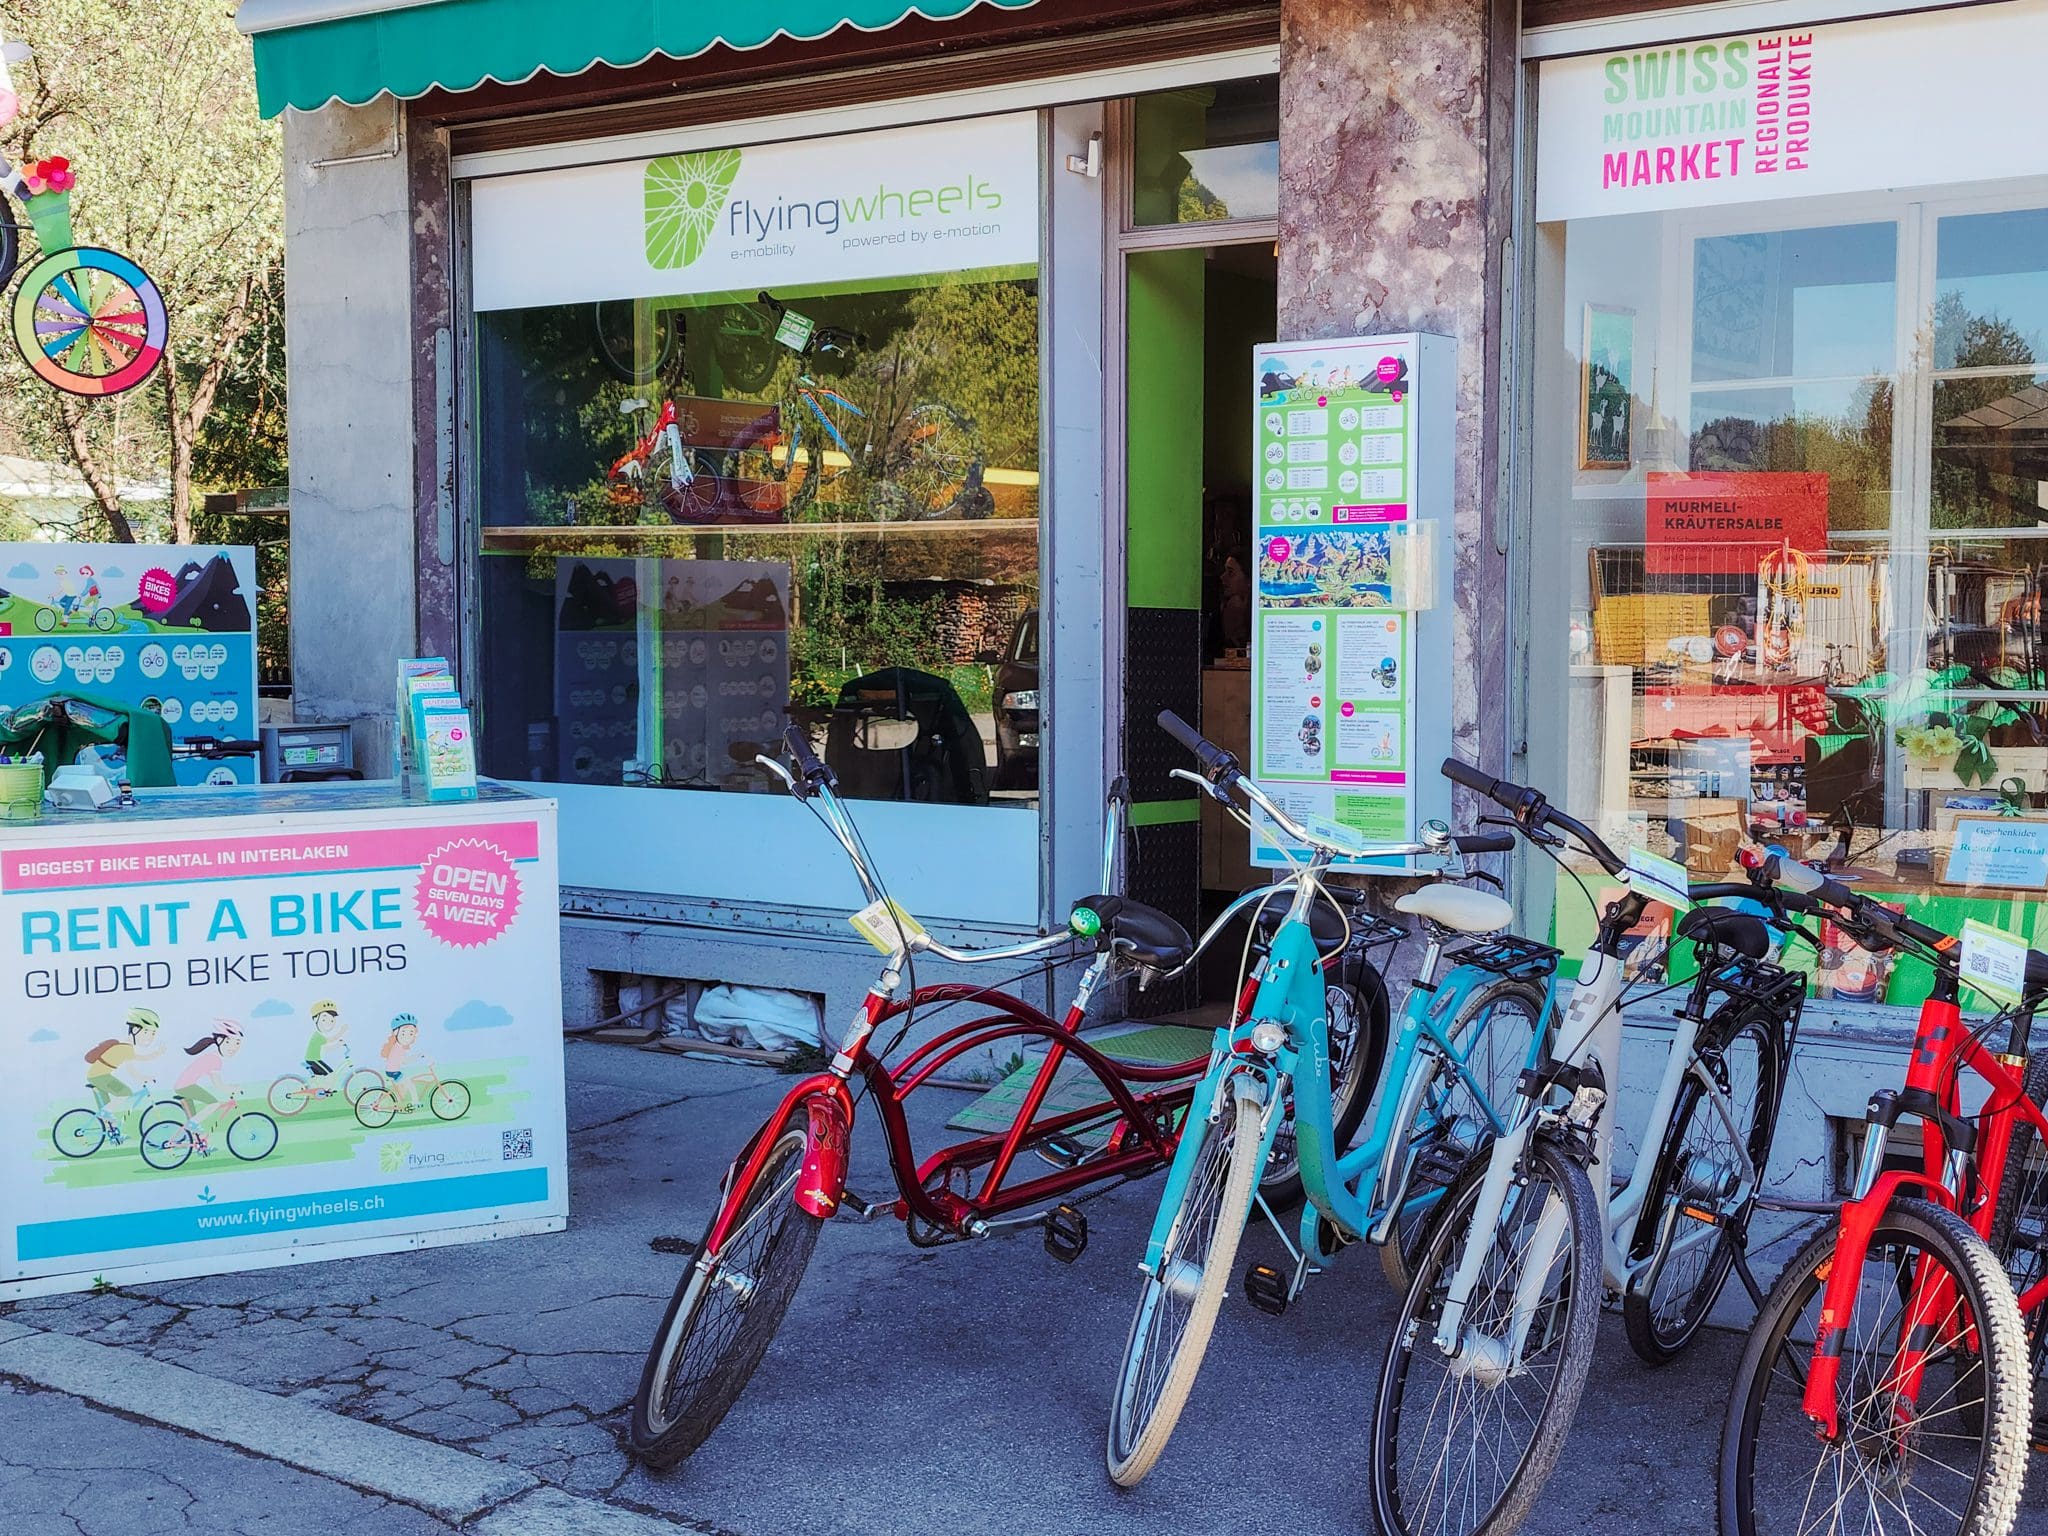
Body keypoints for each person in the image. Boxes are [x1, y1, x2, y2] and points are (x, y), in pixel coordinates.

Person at [84, 1007, 164, 1114]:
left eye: (153, 1033)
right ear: (135, 1030)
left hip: (98, 1075)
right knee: (125, 1092)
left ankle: (107, 1123)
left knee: (108, 1110)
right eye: (146, 1032)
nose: (150, 1037)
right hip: (99, 1076)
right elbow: (132, 1070)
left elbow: (140, 1058)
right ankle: (105, 1114)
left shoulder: (126, 1048)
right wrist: (142, 1077)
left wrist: (157, 1054)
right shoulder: (126, 1048)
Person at [171, 1020, 245, 1132]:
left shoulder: (213, 1057)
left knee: (196, 1125)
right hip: (186, 1086)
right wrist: (233, 1089)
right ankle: (191, 1125)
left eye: (237, 1043)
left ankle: (200, 1144)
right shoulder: (214, 1059)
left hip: (184, 1085)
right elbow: (218, 1085)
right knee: (214, 1104)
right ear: (220, 1040)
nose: (233, 1047)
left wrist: (230, 1087)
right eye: (229, 1042)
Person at [380, 1013, 421, 1110]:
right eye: (403, 1033)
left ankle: (398, 1103)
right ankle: (415, 1102)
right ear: (396, 1033)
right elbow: (405, 1061)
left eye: (411, 1033)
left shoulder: (398, 1047)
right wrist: (417, 1057)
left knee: (404, 1086)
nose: (407, 1037)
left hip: (393, 1071)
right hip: (393, 1072)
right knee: (410, 1084)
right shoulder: (398, 1048)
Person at [304, 999, 346, 1093]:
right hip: (313, 1059)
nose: (328, 1023)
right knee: (330, 1073)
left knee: (318, 1077)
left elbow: (327, 1048)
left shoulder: (319, 1035)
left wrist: (338, 1044)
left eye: (331, 1020)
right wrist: (341, 1032)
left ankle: (317, 1090)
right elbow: (330, 1040)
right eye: (324, 1019)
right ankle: (326, 1090)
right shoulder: (318, 1035)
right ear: (315, 1019)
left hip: (314, 1058)